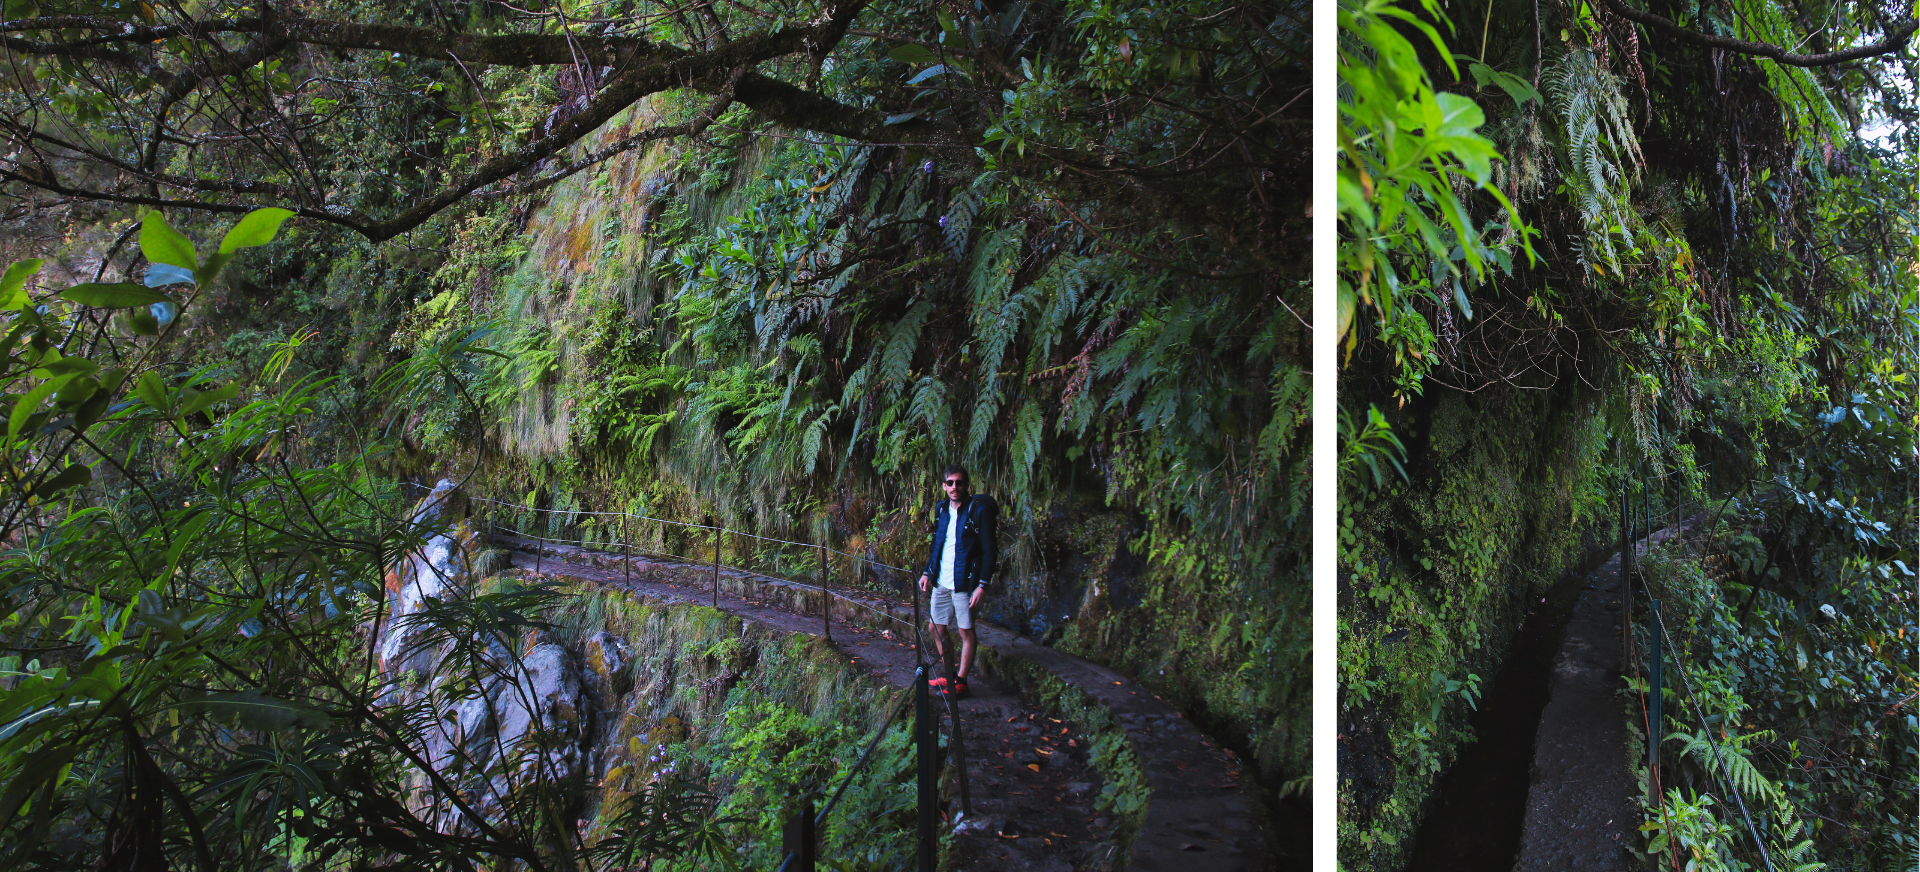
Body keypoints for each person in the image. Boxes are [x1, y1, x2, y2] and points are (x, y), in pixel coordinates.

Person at [917, 463, 996, 698]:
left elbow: (990, 551)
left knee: (965, 631)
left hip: (965, 582)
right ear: (944, 486)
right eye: (950, 482)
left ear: (966, 484)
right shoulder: (942, 509)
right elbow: (937, 545)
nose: (954, 486)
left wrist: (982, 585)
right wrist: (927, 572)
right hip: (941, 580)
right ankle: (950, 676)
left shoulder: (978, 511)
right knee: (935, 627)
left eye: (959, 482)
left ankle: (961, 682)